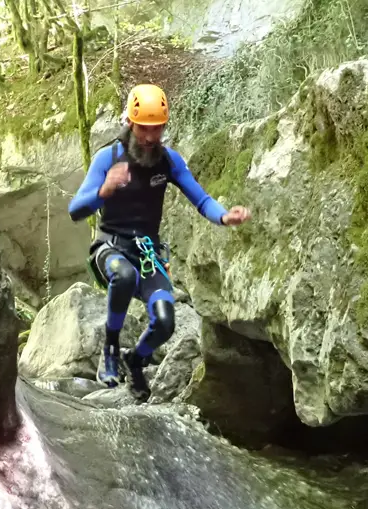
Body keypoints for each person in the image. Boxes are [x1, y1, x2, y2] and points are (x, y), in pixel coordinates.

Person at [67, 83, 251, 402]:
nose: (151, 137)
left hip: (147, 254)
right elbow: (74, 210)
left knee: (165, 322)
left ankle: (136, 360)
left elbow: (202, 199)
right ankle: (109, 350)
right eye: (144, 129)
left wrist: (224, 217)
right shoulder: (107, 158)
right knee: (123, 275)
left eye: (157, 128)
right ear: (129, 122)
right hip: (109, 249)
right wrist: (104, 191)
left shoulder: (169, 161)